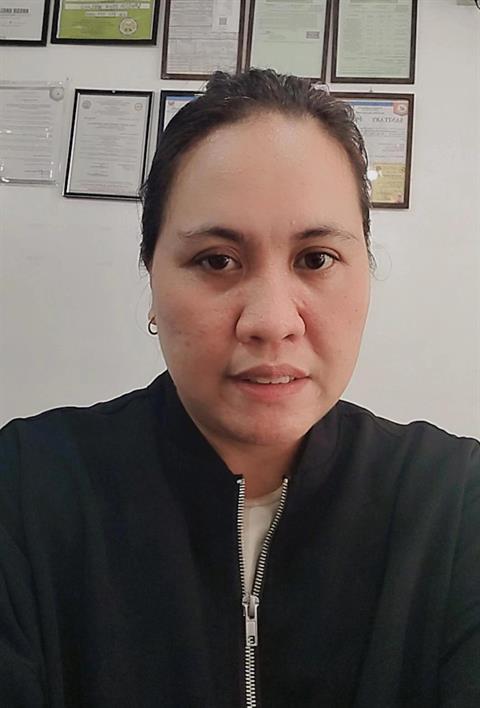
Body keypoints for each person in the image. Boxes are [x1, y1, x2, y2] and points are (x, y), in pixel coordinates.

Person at [0, 69, 478, 708]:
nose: (272, 322)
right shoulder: (26, 487)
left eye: (316, 259)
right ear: (152, 279)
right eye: (217, 261)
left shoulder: (454, 503)